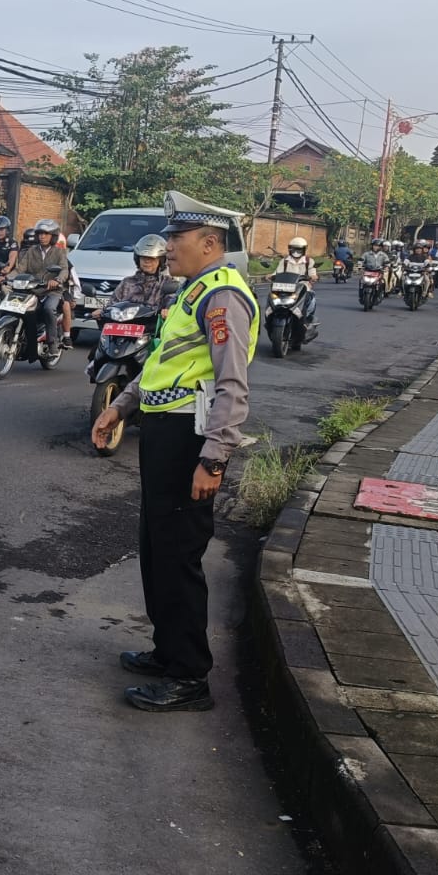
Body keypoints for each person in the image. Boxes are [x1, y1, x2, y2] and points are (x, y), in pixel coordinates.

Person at [91, 192, 258, 713]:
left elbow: (233, 384)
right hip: (165, 432)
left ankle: (189, 677)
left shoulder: (223, 296)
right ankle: (168, 651)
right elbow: (161, 361)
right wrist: (120, 406)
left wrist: (214, 458)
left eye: (177, 239)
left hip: (191, 437)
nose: (168, 248)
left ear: (210, 243)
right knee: (158, 547)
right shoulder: (192, 291)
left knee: (179, 555)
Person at [15, 218, 68, 350]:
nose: (42, 236)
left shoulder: (59, 252)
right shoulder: (31, 251)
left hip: (52, 291)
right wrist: (6, 278)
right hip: (33, 290)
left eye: (46, 233)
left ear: (53, 236)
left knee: (48, 309)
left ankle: (52, 343)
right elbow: (20, 269)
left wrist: (57, 280)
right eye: (40, 233)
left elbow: (64, 270)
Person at [112, 233, 177, 312]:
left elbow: (173, 304)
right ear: (138, 259)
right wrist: (103, 312)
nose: (147, 261)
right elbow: (112, 306)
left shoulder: (167, 283)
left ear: (161, 261)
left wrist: (168, 311)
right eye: (143, 257)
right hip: (126, 320)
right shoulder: (127, 282)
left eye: (152, 258)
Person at [275, 236, 319, 327]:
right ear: (290, 249)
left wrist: (313, 277)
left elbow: (312, 272)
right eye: (294, 249)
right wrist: (270, 275)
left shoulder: (309, 261)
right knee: (274, 300)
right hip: (286, 288)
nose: (296, 251)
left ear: (304, 250)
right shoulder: (284, 261)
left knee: (311, 298)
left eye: (299, 249)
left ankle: (307, 318)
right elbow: (277, 272)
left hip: (302, 288)